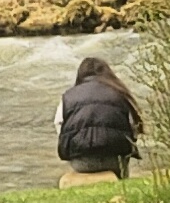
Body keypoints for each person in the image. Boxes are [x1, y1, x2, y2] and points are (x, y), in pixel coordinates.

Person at [55, 52, 141, 185]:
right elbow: (133, 126)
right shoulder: (120, 93)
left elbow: (59, 125)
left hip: (81, 162)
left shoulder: (68, 96)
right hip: (115, 160)